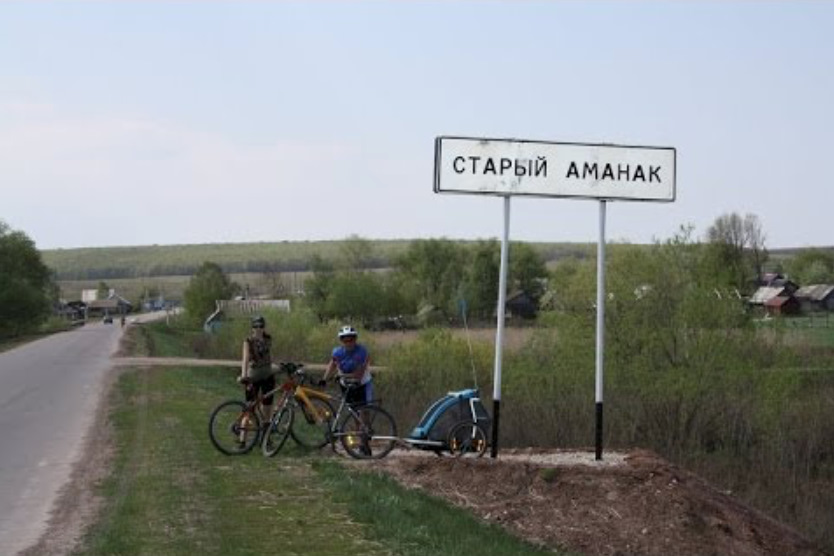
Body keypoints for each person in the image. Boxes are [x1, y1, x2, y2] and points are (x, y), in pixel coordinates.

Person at [238, 315, 275, 433]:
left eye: (261, 326)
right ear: (252, 328)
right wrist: (244, 375)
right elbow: (245, 358)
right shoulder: (248, 341)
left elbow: (268, 357)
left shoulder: (268, 339)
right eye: (256, 326)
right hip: (253, 376)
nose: (259, 329)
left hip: (267, 375)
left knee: (267, 406)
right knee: (250, 407)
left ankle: (265, 434)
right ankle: (243, 439)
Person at [320, 325, 373, 405]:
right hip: (345, 384)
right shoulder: (337, 352)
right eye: (345, 341)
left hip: (362, 383)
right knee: (351, 408)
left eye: (351, 340)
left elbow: (358, 375)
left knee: (364, 409)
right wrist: (324, 379)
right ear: (341, 341)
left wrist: (341, 375)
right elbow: (332, 364)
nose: (348, 343)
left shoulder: (361, 352)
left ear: (355, 339)